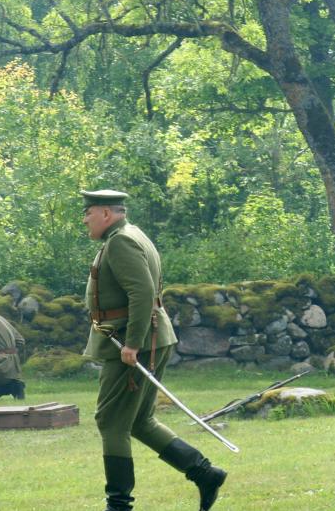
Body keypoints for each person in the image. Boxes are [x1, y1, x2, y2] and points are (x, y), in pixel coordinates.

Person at [82, 189, 227, 510]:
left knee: (111, 422)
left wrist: (132, 342)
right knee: (139, 421)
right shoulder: (131, 234)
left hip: (134, 341)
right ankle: (205, 473)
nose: (85, 219)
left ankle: (118, 505)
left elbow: (142, 292)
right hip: (150, 338)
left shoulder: (120, 241)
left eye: (89, 212)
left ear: (106, 213)